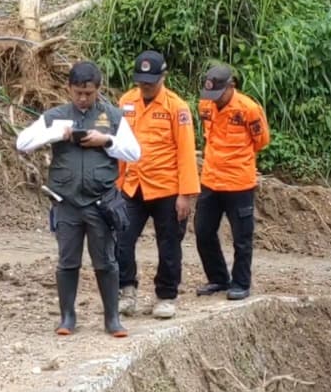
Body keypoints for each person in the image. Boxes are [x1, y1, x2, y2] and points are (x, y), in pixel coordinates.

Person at [15, 61, 141, 337]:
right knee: (67, 261)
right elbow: (22, 143)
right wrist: (58, 134)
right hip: (67, 203)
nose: (83, 99)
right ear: (68, 89)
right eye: (78, 93)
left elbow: (134, 153)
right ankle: (67, 317)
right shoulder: (55, 116)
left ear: (98, 89)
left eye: (89, 93)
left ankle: (112, 318)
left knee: (106, 261)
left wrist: (105, 141)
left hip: (100, 202)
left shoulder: (113, 116)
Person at [116, 50, 199, 319]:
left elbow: (186, 152)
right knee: (121, 239)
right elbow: (119, 147)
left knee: (169, 244)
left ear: (163, 76)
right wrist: (116, 185)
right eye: (141, 81)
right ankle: (126, 290)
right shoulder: (126, 103)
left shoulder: (177, 107)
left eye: (151, 81)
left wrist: (185, 195)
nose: (146, 86)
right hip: (133, 186)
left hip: (167, 189)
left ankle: (166, 295)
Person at [194, 64, 271, 300]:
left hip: (239, 182)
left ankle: (241, 283)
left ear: (231, 86)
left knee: (242, 238)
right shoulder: (205, 105)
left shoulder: (248, 109)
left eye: (219, 94)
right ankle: (218, 278)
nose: (215, 100)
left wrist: (239, 160)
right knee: (203, 231)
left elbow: (261, 140)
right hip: (210, 179)